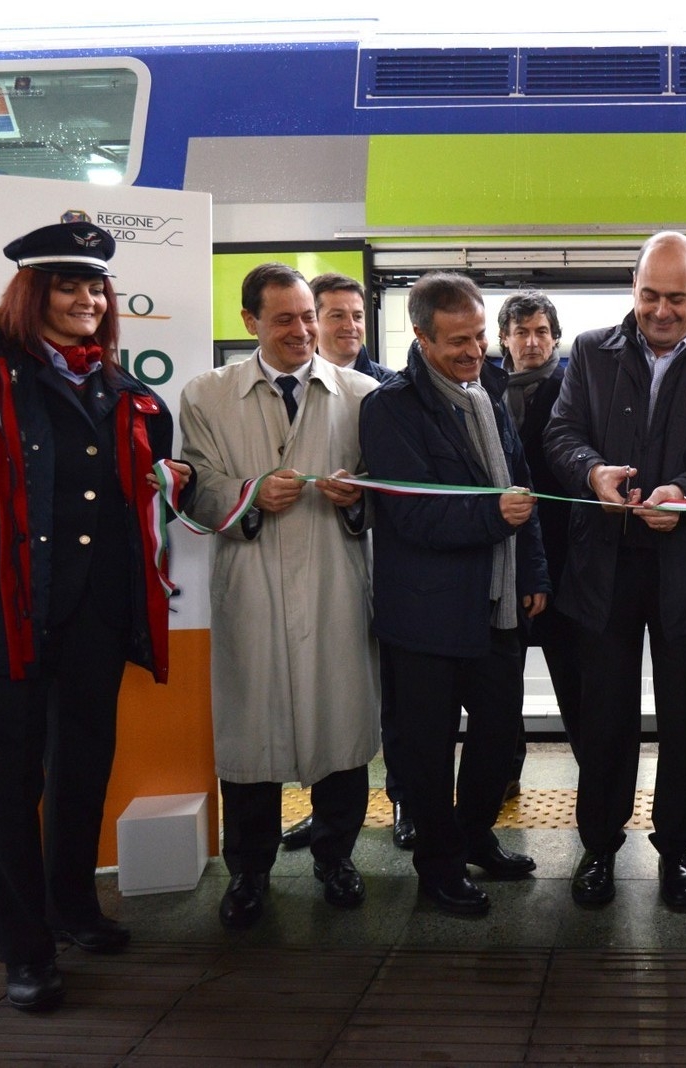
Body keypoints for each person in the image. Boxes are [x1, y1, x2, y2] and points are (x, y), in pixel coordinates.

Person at [0, 221, 191, 1012]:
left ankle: (73, 908)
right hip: (2, 618)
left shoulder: (122, 390)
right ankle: (25, 952)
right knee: (12, 787)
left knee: (83, 770)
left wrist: (170, 475)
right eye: (68, 285)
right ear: (32, 293)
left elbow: (134, 490)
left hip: (92, 617)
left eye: (95, 288)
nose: (86, 300)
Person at [545, 232, 686, 910]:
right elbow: (560, 433)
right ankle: (599, 848)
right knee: (604, 719)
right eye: (648, 295)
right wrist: (591, 472)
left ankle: (677, 851)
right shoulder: (588, 351)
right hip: (603, 568)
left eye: (675, 297)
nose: (661, 311)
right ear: (632, 289)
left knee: (685, 720)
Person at [178, 264, 381, 930]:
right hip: (251, 583)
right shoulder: (207, 395)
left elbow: (386, 490)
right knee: (250, 735)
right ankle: (249, 872)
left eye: (307, 317)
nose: (302, 332)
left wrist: (361, 499)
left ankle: (335, 858)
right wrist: (248, 495)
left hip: (333, 581)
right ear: (249, 324)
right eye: (284, 320)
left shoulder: (359, 394)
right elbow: (197, 486)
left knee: (340, 724)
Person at [360, 272, 549, 916]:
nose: (474, 352)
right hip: (427, 614)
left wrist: (534, 574)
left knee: (499, 739)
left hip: (497, 606)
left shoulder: (487, 391)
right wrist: (498, 518)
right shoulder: (390, 409)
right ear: (419, 336)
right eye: (457, 342)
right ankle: (438, 866)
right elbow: (412, 517)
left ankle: (474, 838)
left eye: (478, 337)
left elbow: (523, 488)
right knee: (427, 750)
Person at [281, 272, 417, 853]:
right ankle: (326, 813)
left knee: (396, 701)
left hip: (387, 574)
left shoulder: (386, 390)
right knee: (325, 698)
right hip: (320, 576)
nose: (349, 327)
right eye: (335, 315)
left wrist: (365, 491)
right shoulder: (297, 390)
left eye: (357, 316)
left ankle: (406, 802)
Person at [498, 289, 581, 772]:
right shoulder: (483, 392)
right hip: (501, 557)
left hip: (563, 560)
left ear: (555, 338)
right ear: (504, 340)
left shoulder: (575, 389)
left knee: (573, 677)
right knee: (502, 680)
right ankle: (506, 774)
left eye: (542, 332)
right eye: (521, 332)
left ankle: (593, 781)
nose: (532, 342)